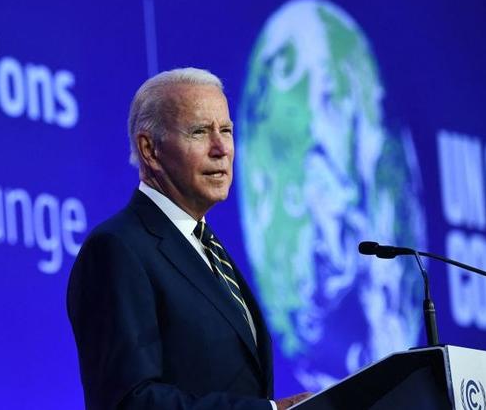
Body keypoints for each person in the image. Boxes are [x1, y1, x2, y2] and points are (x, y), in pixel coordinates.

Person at [67, 68, 311, 409]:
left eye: (226, 130)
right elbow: (129, 402)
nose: (221, 148)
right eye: (199, 132)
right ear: (149, 149)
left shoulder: (206, 248)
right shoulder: (118, 249)